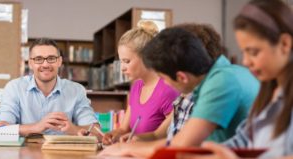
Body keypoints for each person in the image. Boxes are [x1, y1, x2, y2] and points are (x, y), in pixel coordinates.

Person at [98, 23, 259, 157]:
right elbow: (177, 141)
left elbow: (180, 146)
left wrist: (124, 148)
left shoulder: (221, 82)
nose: (166, 85)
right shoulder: (226, 74)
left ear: (181, 77)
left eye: (165, 79)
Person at [176, 0, 293, 158]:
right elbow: (244, 140)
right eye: (243, 52)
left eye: (253, 52)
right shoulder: (267, 94)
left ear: (285, 44)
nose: (245, 61)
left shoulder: (225, 80)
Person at [118, 23, 231, 143]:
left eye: (165, 77)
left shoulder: (218, 87)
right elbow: (162, 137)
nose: (165, 84)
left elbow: (183, 145)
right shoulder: (187, 97)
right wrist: (137, 141)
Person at [80, 21, 179, 144]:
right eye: (121, 62)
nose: (122, 68)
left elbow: (174, 136)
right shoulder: (137, 87)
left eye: (126, 61)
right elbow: (124, 129)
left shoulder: (168, 90)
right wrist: (112, 134)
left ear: (147, 57)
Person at [0, 38, 100, 136]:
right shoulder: (14, 88)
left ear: (59, 61)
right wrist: (36, 127)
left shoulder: (76, 90)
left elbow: (96, 132)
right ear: (30, 63)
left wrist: (74, 129)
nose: (45, 64)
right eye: (38, 59)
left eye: (51, 58)